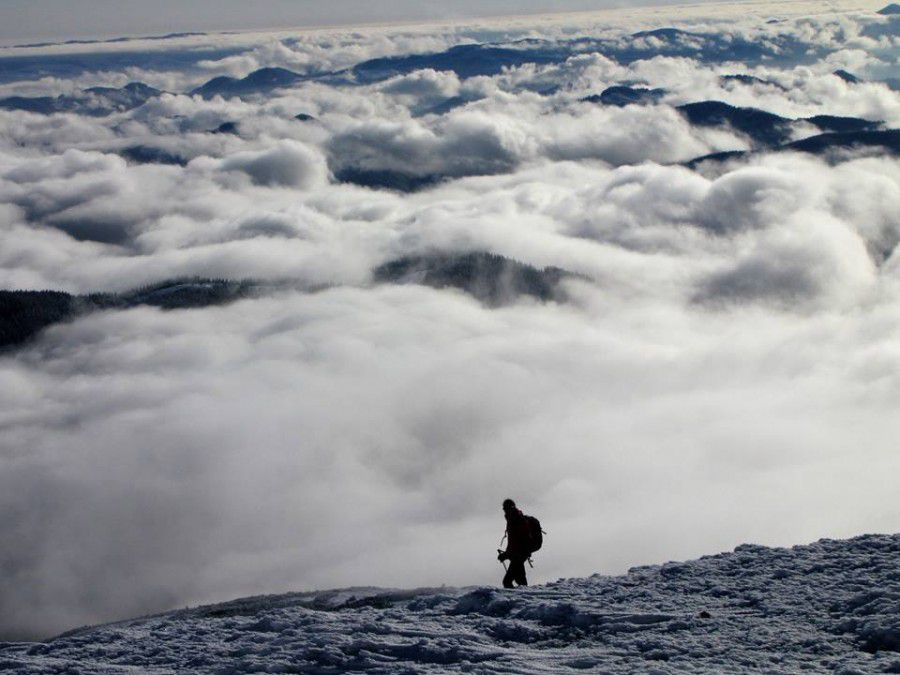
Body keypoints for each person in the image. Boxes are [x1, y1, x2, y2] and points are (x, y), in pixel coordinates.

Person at [497, 498, 530, 588]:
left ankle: (523, 596)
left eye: (505, 508)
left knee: (507, 582)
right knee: (520, 581)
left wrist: (506, 555)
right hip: (519, 554)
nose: (504, 511)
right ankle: (525, 595)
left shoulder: (516, 520)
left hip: (519, 555)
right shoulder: (514, 519)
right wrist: (507, 554)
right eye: (504, 509)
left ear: (511, 508)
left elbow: (517, 542)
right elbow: (514, 542)